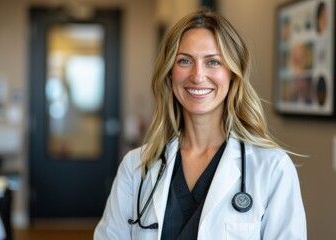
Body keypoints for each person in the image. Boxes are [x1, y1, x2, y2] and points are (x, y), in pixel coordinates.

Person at [94, 9, 307, 240]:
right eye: (185, 61)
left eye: (213, 62)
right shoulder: (136, 167)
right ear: (169, 73)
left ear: (232, 74)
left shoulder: (272, 168)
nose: (197, 75)